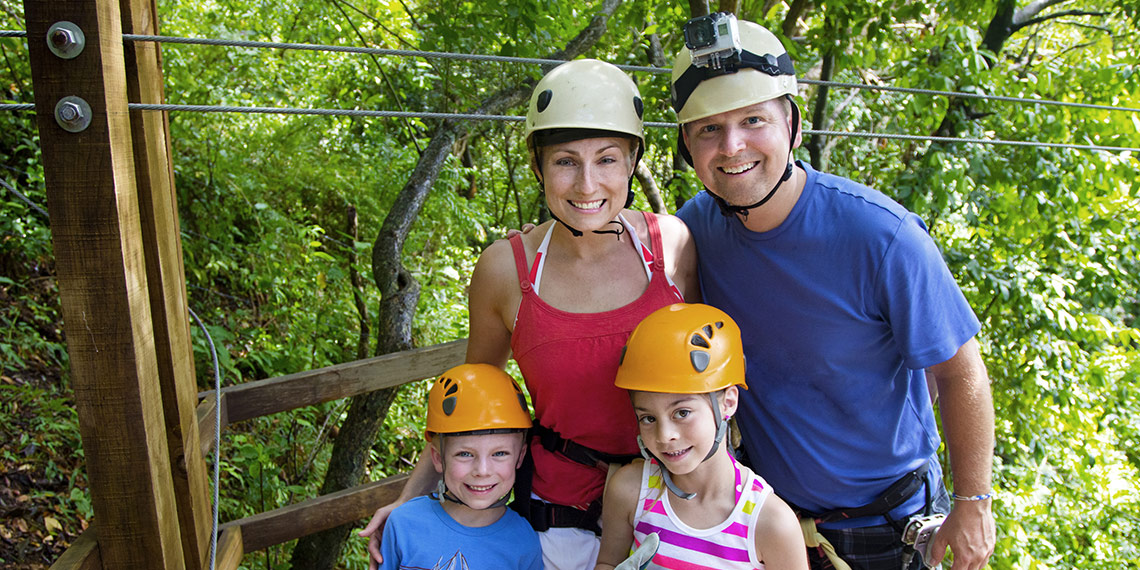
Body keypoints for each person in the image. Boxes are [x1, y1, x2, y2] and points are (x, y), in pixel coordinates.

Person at [669, 15, 996, 570]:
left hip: (891, 528)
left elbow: (959, 372)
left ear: (793, 128)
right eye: (708, 129)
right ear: (687, 147)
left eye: (753, 120)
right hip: (774, 526)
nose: (732, 146)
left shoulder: (880, 237)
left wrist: (974, 504)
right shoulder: (695, 231)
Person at [361, 58, 700, 570]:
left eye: (607, 159)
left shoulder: (669, 246)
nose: (587, 185)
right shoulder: (506, 269)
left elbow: (708, 386)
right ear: (538, 167)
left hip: (673, 506)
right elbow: (472, 403)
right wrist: (412, 501)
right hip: (560, 522)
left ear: (632, 161)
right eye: (565, 161)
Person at [595, 303, 808, 570]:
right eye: (648, 418)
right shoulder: (630, 491)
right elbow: (607, 562)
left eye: (681, 412)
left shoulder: (771, 524)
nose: (665, 436)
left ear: (728, 402)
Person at [378, 363, 542, 570]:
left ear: (520, 457)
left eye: (499, 453)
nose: (482, 471)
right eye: (465, 454)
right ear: (438, 459)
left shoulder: (523, 542)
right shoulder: (403, 524)